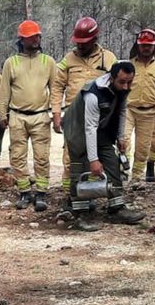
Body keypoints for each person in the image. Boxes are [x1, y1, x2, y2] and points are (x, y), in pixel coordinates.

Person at [62, 62, 146, 231]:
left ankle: (116, 208)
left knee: (113, 163)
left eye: (129, 82)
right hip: (78, 130)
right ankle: (80, 214)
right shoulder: (93, 94)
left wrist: (120, 136)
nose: (126, 86)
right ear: (111, 78)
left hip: (101, 131)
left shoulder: (122, 89)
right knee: (80, 169)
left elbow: (122, 111)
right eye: (122, 82)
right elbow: (89, 128)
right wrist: (93, 160)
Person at [52, 17, 118, 191]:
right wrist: (57, 114)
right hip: (74, 119)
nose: (80, 46)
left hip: (100, 119)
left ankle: (97, 192)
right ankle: (71, 194)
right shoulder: (68, 59)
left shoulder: (109, 58)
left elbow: (117, 87)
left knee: (99, 156)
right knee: (71, 159)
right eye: (78, 43)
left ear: (95, 39)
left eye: (85, 43)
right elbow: (57, 86)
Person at [0, 21, 57, 211]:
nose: (36, 39)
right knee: (17, 156)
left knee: (41, 156)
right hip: (17, 116)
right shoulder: (11, 63)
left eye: (38, 36)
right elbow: (4, 91)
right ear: (22, 40)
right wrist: (2, 114)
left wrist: (56, 114)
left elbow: (55, 90)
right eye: (32, 37)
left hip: (40, 116)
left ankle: (41, 192)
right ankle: (24, 192)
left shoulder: (48, 62)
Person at [124, 29, 155, 183]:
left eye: (149, 45)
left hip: (149, 112)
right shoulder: (129, 65)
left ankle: (136, 178)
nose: (146, 48)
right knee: (124, 140)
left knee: (143, 148)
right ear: (138, 45)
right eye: (143, 45)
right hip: (129, 109)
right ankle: (122, 170)